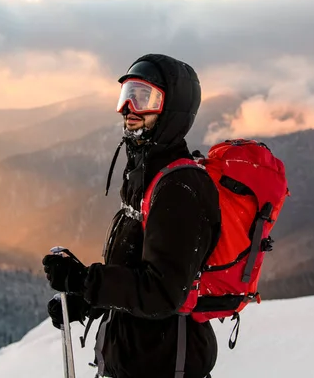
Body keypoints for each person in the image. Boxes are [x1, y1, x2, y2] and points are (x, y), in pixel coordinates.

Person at [43, 53, 221, 378]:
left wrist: (85, 280)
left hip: (166, 366)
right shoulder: (146, 174)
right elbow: (132, 270)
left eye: (144, 98)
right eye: (127, 95)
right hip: (134, 362)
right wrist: (86, 298)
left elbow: (161, 292)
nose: (129, 109)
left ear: (172, 110)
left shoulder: (180, 188)